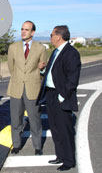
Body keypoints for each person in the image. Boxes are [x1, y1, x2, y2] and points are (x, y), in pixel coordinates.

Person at [36, 25, 81, 171]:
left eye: (51, 35)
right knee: (55, 128)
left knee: (64, 129)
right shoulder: (56, 51)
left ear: (59, 36)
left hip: (61, 96)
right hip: (50, 94)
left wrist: (63, 96)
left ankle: (69, 161)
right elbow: (52, 73)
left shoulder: (71, 53)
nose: (50, 38)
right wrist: (43, 69)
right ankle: (60, 156)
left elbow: (72, 78)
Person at [7, 20, 47, 155]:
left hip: (33, 88)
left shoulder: (40, 48)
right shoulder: (13, 47)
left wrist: (40, 70)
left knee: (34, 118)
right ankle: (17, 144)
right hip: (16, 87)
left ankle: (37, 146)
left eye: (26, 29)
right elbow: (11, 68)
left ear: (33, 32)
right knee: (16, 118)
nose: (23, 32)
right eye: (22, 29)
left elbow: (43, 71)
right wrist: (19, 78)